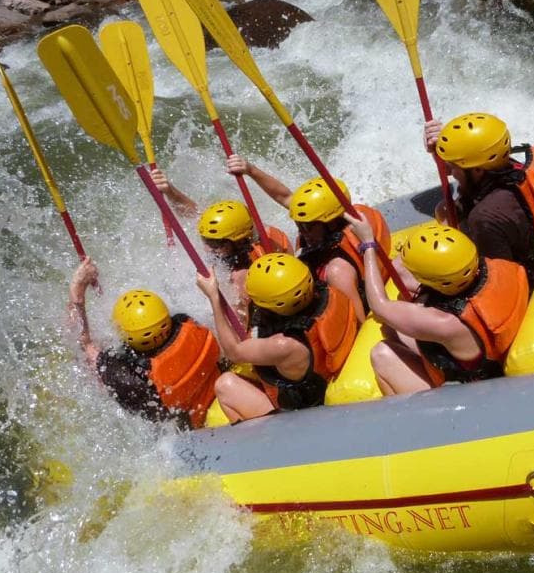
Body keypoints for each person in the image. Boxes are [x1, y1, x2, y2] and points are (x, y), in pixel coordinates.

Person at [345, 214, 529, 395]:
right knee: (392, 330)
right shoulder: (498, 266)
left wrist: (368, 244)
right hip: (488, 356)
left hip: (470, 393)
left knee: (381, 353)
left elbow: (379, 306)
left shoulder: (444, 323)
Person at [226, 154, 391, 323]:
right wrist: (250, 170)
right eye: (299, 225)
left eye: (309, 227)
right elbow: (284, 196)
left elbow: (359, 321)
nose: (302, 231)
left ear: (332, 223)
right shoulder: (318, 218)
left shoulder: (337, 271)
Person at [195, 252, 358, 421]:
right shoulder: (327, 292)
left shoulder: (284, 345)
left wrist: (214, 297)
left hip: (301, 413)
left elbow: (233, 352)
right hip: (319, 382)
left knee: (225, 384)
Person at [424, 112, 534, 289]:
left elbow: (498, 284)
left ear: (478, 170)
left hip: (529, 274)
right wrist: (439, 149)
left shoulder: (485, 218)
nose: (452, 173)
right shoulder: (506, 163)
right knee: (446, 210)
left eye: (454, 166)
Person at [68, 257, 221, 427]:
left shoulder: (136, 380)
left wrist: (77, 292)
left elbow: (83, 343)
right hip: (216, 397)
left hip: (195, 426)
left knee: (91, 369)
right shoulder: (189, 324)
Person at [150, 169, 292, 325]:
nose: (208, 248)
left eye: (214, 243)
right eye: (206, 240)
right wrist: (170, 191)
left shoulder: (241, 279)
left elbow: (238, 329)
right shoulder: (257, 234)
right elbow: (196, 215)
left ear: (237, 242)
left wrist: (213, 296)